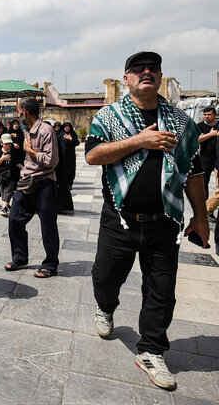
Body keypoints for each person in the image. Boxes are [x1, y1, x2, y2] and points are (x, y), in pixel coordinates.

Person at [85, 51, 208, 391]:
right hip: (119, 219)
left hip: (164, 221)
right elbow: (93, 155)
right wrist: (140, 141)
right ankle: (105, 307)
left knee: (162, 289)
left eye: (153, 68)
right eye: (137, 69)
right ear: (126, 79)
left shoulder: (182, 122)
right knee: (105, 277)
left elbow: (193, 170)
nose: (146, 72)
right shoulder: (109, 116)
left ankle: (152, 350)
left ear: (161, 76)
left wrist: (200, 217)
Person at [5, 97, 60, 278]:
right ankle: (20, 257)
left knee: (48, 224)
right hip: (26, 182)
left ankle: (51, 263)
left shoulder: (46, 130)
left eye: (19, 110)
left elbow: (51, 161)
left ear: (25, 112)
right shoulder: (27, 131)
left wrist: (30, 151)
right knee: (14, 219)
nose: (18, 113)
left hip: (44, 182)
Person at [0, 133, 23, 217]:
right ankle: (6, 205)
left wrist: (24, 169)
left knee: (8, 191)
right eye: (6, 143)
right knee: (3, 192)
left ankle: (4, 208)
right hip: (1, 176)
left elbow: (17, 162)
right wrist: (2, 158)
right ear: (1, 143)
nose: (7, 145)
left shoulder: (13, 151)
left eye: (9, 143)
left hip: (11, 175)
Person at [197, 106, 219, 207]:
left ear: (215, 115)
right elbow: (197, 139)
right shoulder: (200, 126)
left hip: (217, 159)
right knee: (204, 183)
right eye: (205, 115)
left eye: (209, 114)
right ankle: (204, 208)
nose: (207, 116)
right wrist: (211, 134)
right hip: (205, 158)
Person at [59, 122, 80, 189]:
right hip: (62, 155)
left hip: (71, 156)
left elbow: (77, 143)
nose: (67, 128)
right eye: (66, 127)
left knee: (71, 169)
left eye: (68, 127)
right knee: (63, 169)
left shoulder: (73, 134)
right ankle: (63, 184)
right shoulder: (60, 135)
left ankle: (70, 184)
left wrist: (71, 139)